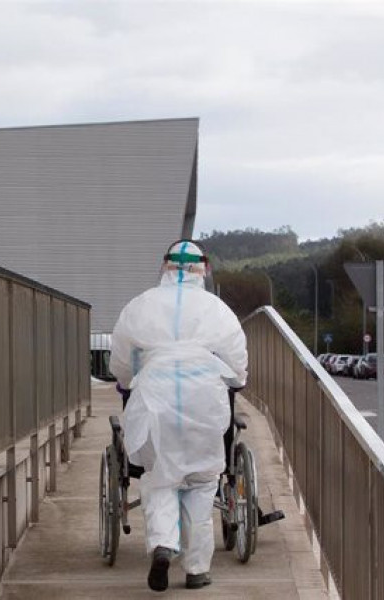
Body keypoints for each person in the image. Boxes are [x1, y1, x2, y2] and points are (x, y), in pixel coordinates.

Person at [109, 239, 247, 592]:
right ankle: (197, 568)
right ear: (205, 269)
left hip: (155, 400)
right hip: (205, 402)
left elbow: (121, 362)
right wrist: (234, 381)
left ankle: (162, 545)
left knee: (160, 478)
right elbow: (237, 365)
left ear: (165, 267)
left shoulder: (141, 306)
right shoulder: (217, 310)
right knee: (202, 483)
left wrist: (128, 383)